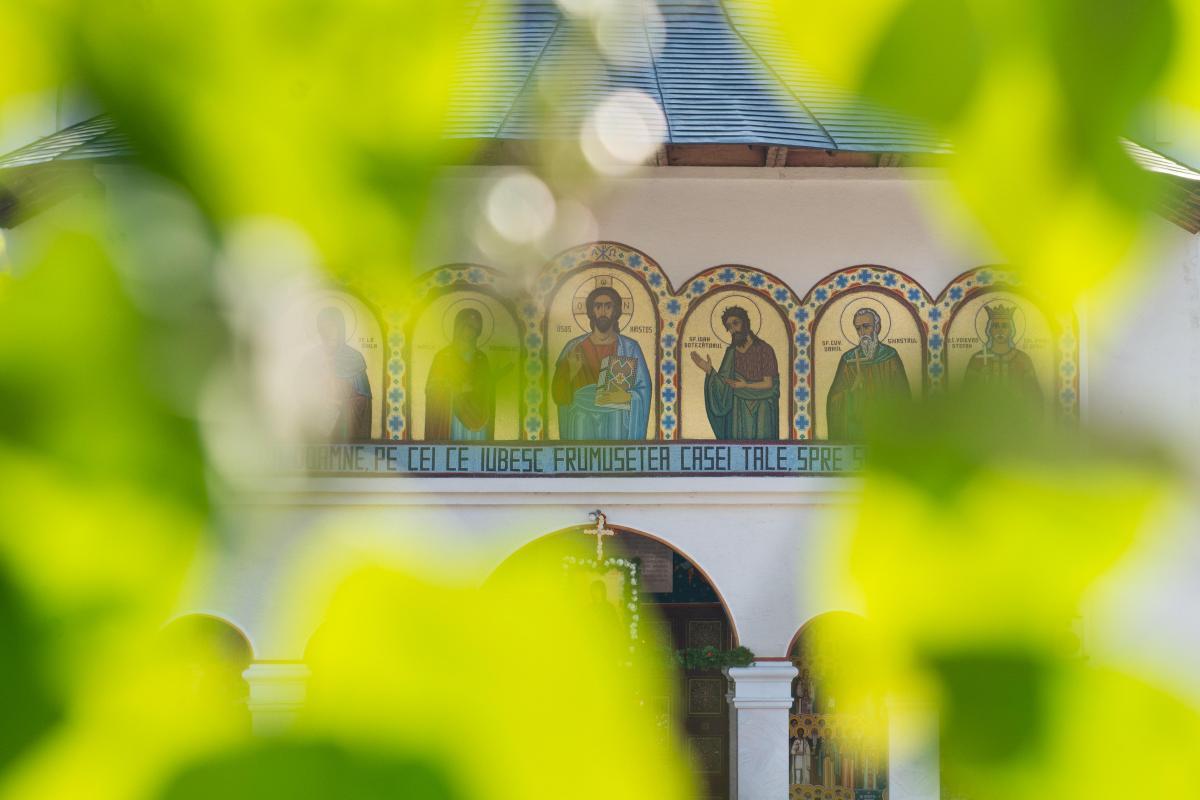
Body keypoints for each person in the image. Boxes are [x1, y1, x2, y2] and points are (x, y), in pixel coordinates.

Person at [551, 285, 651, 440]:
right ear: (591, 311)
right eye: (598, 306)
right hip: (581, 420)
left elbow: (643, 390)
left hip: (616, 422)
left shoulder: (630, 348)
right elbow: (558, 393)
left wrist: (626, 397)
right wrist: (571, 372)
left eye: (608, 306)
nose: (603, 311)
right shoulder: (573, 348)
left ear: (615, 311)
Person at [689, 305, 780, 439]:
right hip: (737, 410)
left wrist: (745, 385)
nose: (733, 329)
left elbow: (769, 384)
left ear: (745, 323)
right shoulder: (731, 352)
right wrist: (709, 370)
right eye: (729, 327)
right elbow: (723, 383)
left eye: (735, 323)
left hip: (762, 409)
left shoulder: (764, 349)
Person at [826, 307, 910, 440]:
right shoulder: (848, 359)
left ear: (877, 327)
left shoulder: (890, 356)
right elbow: (834, 400)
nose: (862, 333)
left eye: (866, 327)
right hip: (856, 428)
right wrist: (853, 388)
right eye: (858, 328)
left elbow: (902, 396)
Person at [424, 308, 494, 440]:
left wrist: (479, 388)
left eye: (475, 328)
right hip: (450, 418)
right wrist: (458, 389)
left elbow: (489, 389)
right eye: (467, 326)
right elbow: (432, 388)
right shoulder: (443, 357)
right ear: (458, 327)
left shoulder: (482, 358)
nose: (471, 331)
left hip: (477, 415)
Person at [962, 303, 1043, 416]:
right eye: (996, 326)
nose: (1000, 330)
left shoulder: (1023, 359)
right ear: (989, 330)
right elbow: (965, 396)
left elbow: (1034, 396)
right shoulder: (977, 360)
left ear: (1011, 330)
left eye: (1005, 326)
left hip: (1016, 417)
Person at [314, 306, 373, 442]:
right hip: (316, 427)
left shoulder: (354, 359)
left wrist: (341, 402)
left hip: (345, 427)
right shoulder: (311, 359)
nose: (329, 332)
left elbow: (364, 401)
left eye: (333, 327)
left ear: (341, 329)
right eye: (324, 327)